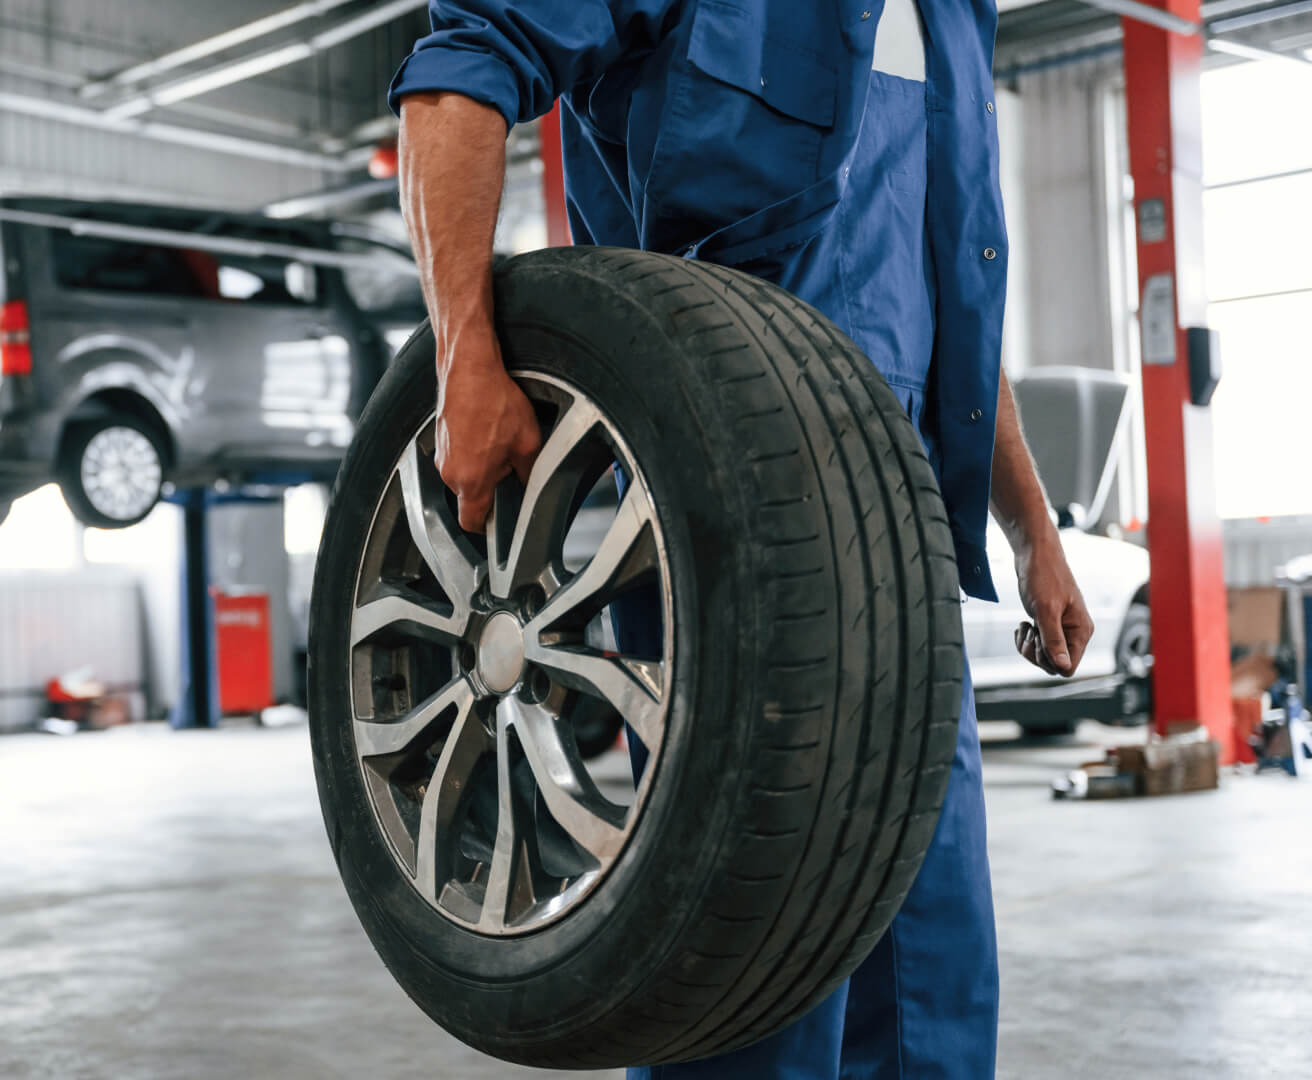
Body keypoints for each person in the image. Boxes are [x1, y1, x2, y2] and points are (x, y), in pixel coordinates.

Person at [390, 0, 1095, 1075]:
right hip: (728, 524)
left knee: (934, 966)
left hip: (898, 545)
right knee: (746, 974)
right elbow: (458, 77)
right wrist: (462, 355)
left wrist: (1031, 528)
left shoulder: (957, 13)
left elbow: (957, 300)